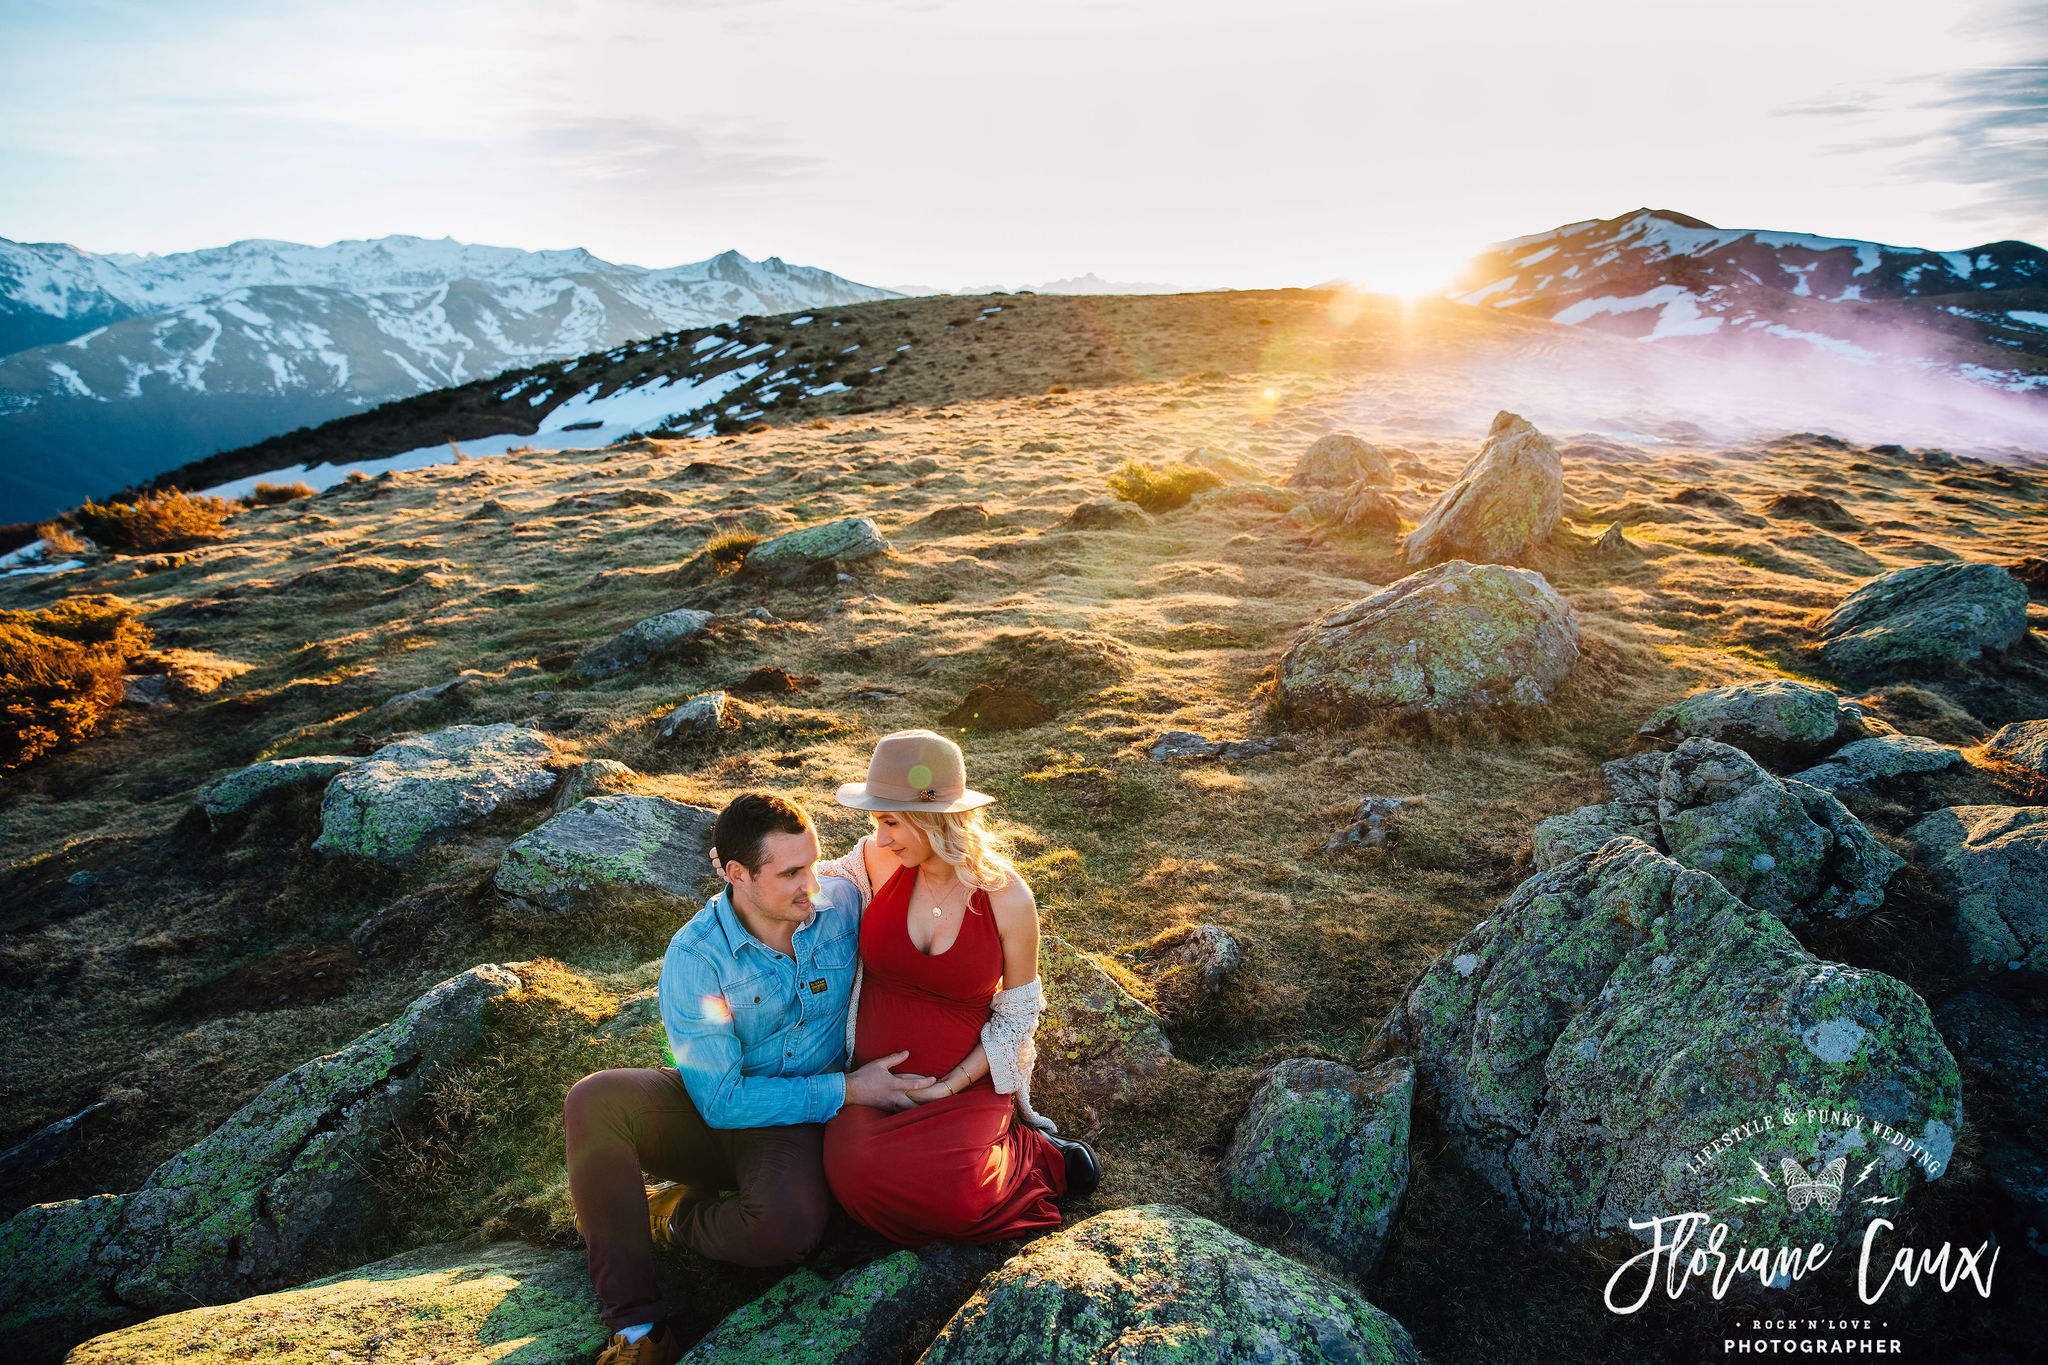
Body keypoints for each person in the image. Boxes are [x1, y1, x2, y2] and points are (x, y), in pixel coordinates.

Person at [562, 791, 934, 1365]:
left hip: (793, 1123)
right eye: (790, 872)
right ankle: (639, 1330)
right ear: (737, 874)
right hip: (719, 1099)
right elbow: (719, 1102)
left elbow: (917, 851)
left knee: (785, 1230)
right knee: (595, 1098)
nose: (811, 882)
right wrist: (849, 1089)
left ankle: (676, 1215)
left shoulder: (840, 903)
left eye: (813, 862)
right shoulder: (696, 957)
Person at [818, 729, 1101, 1245]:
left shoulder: (1007, 897)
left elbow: (1017, 1018)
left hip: (965, 1086)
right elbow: (810, 884)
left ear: (932, 817)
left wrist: (947, 1086)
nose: (879, 838)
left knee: (959, 1197)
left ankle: (1037, 1156)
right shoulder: (877, 863)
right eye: (876, 823)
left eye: (890, 821)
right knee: (855, 1176)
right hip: (873, 1084)